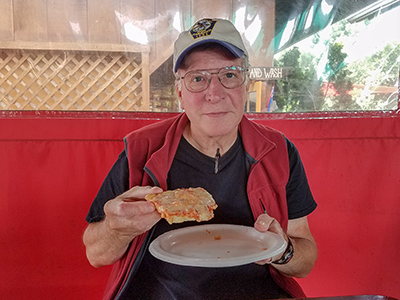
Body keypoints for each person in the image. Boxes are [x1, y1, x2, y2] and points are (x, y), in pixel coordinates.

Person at [83, 18, 317, 300]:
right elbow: (95, 254)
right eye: (197, 79)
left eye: (229, 75)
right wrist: (116, 229)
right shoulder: (141, 150)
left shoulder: (279, 151)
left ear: (246, 84)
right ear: (180, 92)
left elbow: (305, 261)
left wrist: (282, 249)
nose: (214, 93)